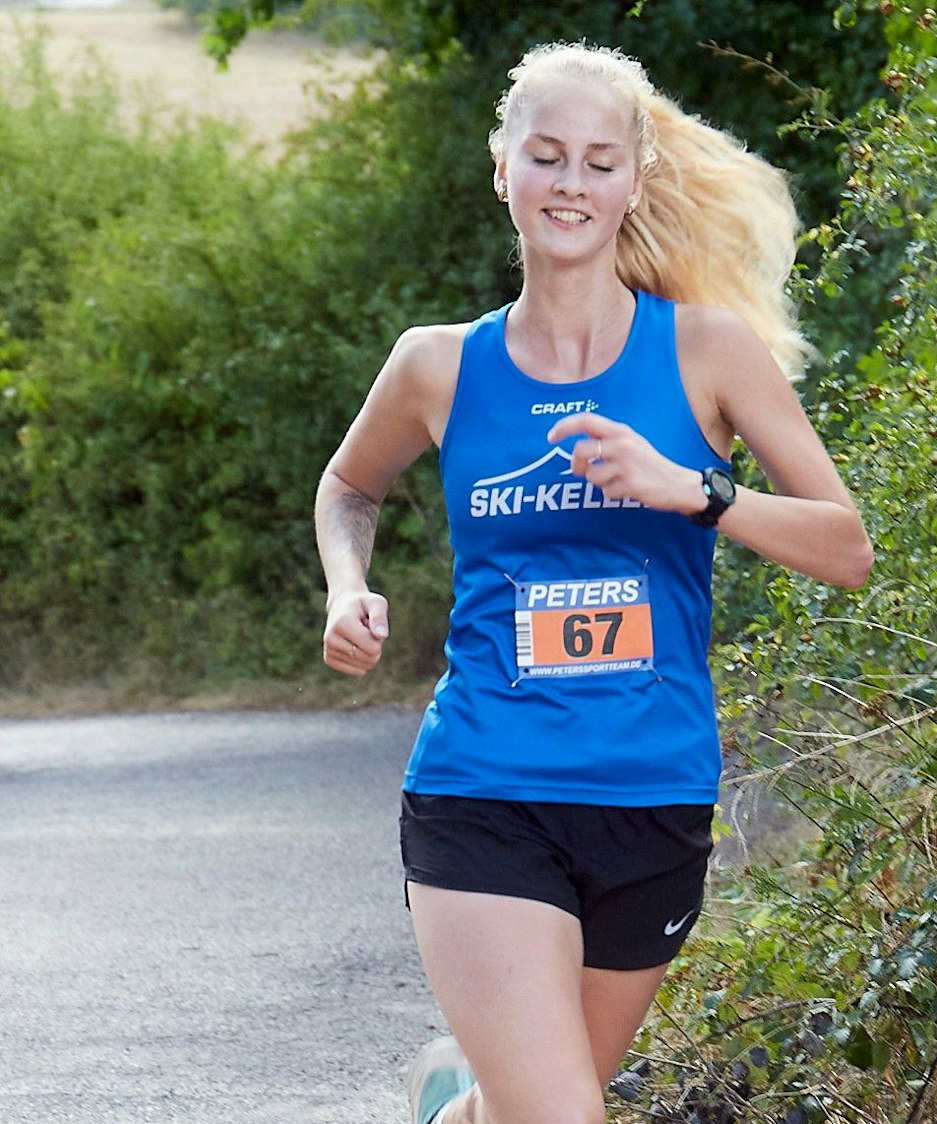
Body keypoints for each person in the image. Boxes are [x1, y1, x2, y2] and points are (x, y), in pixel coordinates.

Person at [312, 42, 872, 1124]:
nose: (571, 184)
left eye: (600, 161)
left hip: (652, 796)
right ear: (503, 168)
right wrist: (346, 586)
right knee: (563, 1116)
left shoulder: (710, 352)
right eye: (548, 156)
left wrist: (693, 489)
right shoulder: (438, 365)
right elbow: (348, 484)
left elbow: (846, 547)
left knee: (522, 1109)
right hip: (485, 785)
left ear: (633, 180)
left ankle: (446, 1107)